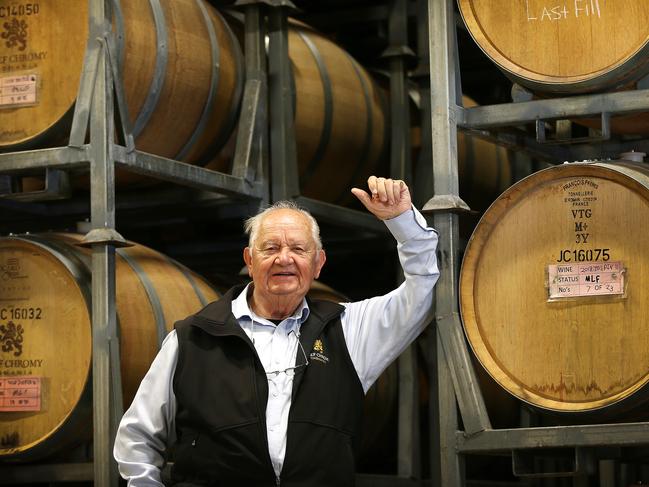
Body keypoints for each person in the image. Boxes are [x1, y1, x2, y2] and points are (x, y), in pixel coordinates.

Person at [114, 176, 440, 487]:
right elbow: (137, 439)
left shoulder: (348, 329)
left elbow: (424, 289)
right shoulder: (191, 338)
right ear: (250, 261)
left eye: (298, 249)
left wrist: (403, 223)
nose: (284, 258)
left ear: (318, 264)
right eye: (270, 248)